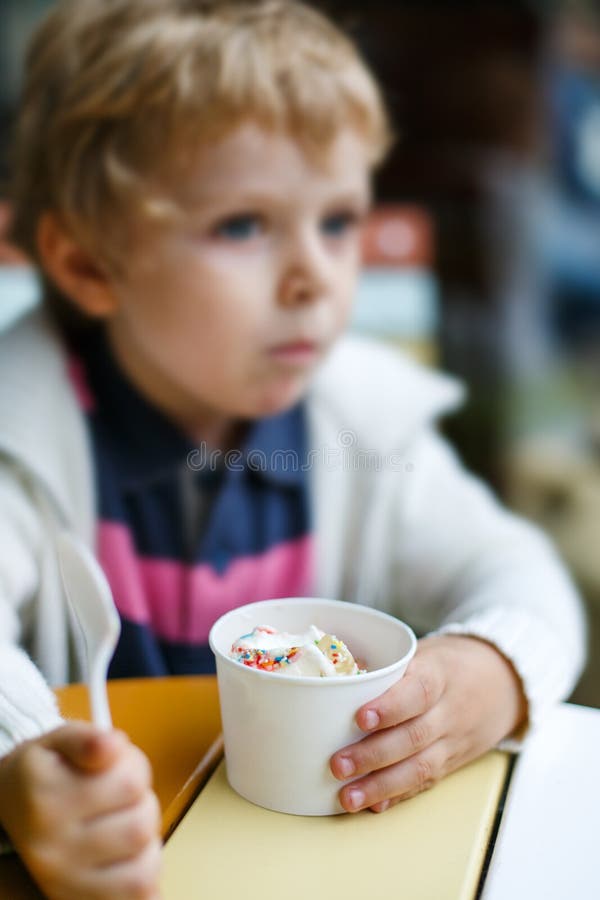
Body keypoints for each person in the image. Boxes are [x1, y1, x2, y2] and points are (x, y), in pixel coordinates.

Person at [0, 0, 586, 897]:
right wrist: (24, 765)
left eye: (340, 221)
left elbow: (521, 573)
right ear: (89, 264)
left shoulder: (362, 424)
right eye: (243, 225)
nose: (316, 275)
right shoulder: (21, 433)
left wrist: (488, 674)